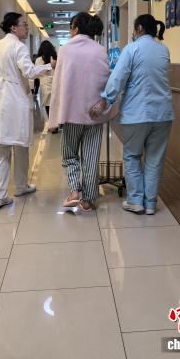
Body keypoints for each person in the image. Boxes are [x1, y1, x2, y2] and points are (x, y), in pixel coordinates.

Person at [90, 14, 174, 215]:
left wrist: (104, 100)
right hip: (163, 114)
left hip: (137, 114)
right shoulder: (163, 50)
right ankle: (150, 203)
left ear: (139, 28)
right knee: (154, 159)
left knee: (132, 155)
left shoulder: (132, 49)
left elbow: (118, 78)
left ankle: (136, 200)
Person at [0, 12, 55, 209]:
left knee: (1, 149)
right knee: (21, 146)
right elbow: (29, 72)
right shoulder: (19, 46)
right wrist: (49, 66)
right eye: (24, 24)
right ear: (13, 28)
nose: (26, 28)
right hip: (15, 100)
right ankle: (20, 186)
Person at [49, 12, 113, 212]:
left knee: (69, 154)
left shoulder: (65, 50)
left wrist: (56, 114)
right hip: (95, 112)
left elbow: (59, 84)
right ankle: (89, 200)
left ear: (75, 28)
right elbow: (107, 79)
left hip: (71, 113)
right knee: (91, 157)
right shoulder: (100, 50)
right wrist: (102, 103)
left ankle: (75, 191)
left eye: (71, 28)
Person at [35, 40, 57, 121]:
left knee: (48, 106)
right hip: (55, 85)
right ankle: (57, 123)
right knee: (56, 106)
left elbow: (36, 74)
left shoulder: (39, 60)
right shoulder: (56, 58)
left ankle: (52, 123)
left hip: (45, 86)